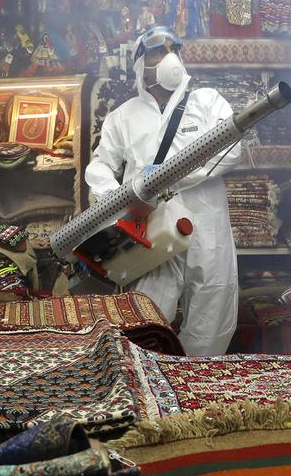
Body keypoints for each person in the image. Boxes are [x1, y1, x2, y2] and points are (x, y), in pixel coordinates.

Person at [85, 27, 241, 356]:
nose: (169, 57)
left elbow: (230, 150)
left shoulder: (208, 101)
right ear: (141, 63)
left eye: (173, 49)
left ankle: (198, 389)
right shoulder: (123, 116)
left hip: (205, 227)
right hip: (152, 231)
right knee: (145, 319)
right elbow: (99, 166)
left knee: (212, 309)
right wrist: (122, 198)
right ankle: (151, 390)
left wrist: (170, 177)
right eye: (158, 52)